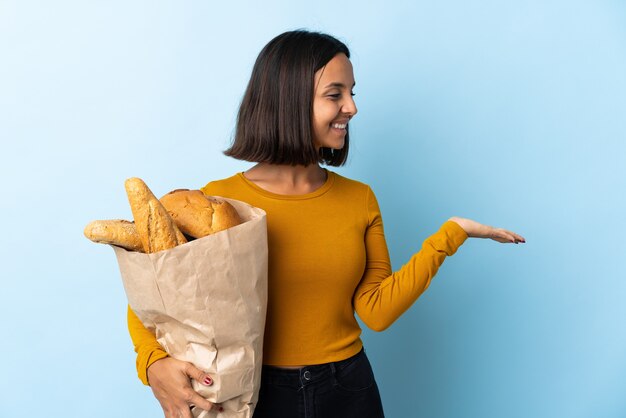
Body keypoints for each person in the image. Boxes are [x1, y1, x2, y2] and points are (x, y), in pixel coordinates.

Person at [127, 29, 526, 418]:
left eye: (352, 93)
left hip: (348, 389)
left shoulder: (359, 199)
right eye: (335, 94)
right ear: (289, 101)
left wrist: (449, 235)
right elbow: (155, 293)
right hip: (251, 393)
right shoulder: (219, 202)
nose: (351, 107)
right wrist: (152, 363)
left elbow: (376, 312)